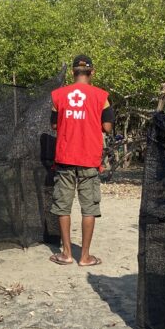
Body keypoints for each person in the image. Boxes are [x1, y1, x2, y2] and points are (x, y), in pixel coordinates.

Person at [48, 55, 114, 267]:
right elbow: (107, 127)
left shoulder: (58, 95)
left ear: (73, 72)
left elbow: (54, 126)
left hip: (65, 157)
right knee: (89, 208)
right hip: (89, 158)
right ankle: (84, 257)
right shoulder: (102, 96)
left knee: (63, 206)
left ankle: (66, 253)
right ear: (92, 72)